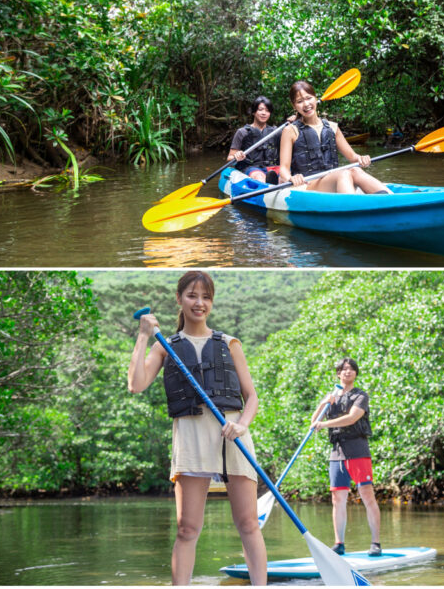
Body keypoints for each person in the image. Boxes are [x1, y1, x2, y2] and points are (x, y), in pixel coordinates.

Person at [128, 271, 267, 586]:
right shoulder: (166, 346)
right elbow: (135, 385)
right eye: (192, 295)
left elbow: (252, 396)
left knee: (248, 524)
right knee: (187, 528)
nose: (199, 303)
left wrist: (242, 425)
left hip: (231, 436)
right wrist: (143, 336)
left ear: (212, 302)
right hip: (190, 436)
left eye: (206, 297)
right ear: (179, 299)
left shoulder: (230, 344)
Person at [311, 357, 382, 557]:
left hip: (357, 450)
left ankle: (375, 542)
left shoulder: (361, 396)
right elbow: (313, 422)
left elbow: (352, 418)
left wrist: (324, 425)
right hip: (337, 452)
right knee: (337, 498)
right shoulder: (331, 396)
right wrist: (323, 403)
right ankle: (339, 543)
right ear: (338, 373)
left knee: (367, 494)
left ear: (356, 373)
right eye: (343, 369)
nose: (347, 372)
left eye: (351, 369)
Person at [279, 81, 392, 194]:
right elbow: (283, 169)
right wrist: (291, 178)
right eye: (300, 101)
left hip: (332, 179)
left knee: (355, 170)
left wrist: (361, 159)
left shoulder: (333, 127)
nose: (306, 104)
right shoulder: (290, 131)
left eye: (309, 98)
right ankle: (354, 208)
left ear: (315, 98)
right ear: (294, 106)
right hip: (307, 185)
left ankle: (390, 197)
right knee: (344, 173)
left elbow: (353, 157)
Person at [228, 96, 292, 183]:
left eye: (267, 110)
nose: (264, 113)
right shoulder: (242, 132)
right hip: (252, 169)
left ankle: (276, 182)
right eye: (260, 110)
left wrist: (297, 119)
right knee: (259, 177)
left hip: (273, 168)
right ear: (254, 112)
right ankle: (268, 183)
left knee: (285, 176)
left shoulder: (276, 132)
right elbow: (230, 158)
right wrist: (236, 156)